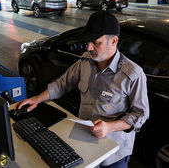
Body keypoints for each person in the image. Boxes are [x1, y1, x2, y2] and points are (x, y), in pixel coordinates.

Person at [15, 11, 149, 168]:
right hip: (84, 140)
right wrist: (37, 99)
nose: (89, 47)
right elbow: (63, 83)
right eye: (88, 42)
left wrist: (109, 126)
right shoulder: (86, 61)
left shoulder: (132, 74)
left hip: (114, 153)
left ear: (113, 41)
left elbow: (140, 114)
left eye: (96, 43)